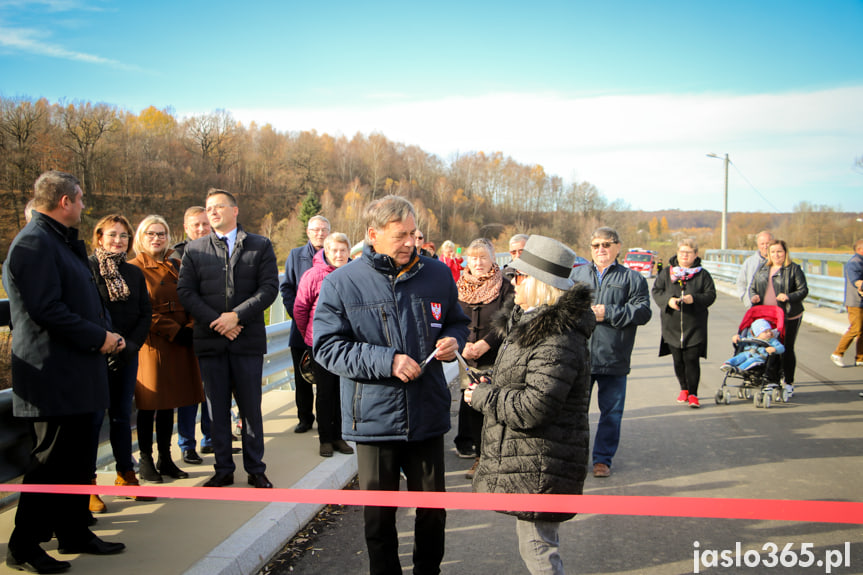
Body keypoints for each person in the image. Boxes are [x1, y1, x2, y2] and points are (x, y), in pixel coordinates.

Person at [313, 195, 470, 575]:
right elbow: (327, 348)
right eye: (400, 235)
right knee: (379, 519)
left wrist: (454, 341)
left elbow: (457, 321)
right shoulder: (341, 283)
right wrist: (389, 361)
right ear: (373, 235)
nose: (409, 243)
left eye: (413, 234)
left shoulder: (437, 274)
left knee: (432, 511)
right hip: (373, 419)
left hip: (427, 413)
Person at [4, 170, 125, 573]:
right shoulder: (35, 244)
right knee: (50, 462)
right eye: (81, 198)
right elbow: (46, 309)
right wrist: (100, 338)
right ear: (64, 202)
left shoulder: (59, 242)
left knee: (76, 459)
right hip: (52, 375)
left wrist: (103, 332)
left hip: (77, 372)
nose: (85, 205)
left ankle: (74, 531)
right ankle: (23, 545)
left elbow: (80, 298)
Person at [465, 234, 595, 575]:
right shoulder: (532, 322)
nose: (513, 282)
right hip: (533, 459)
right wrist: (491, 380)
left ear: (539, 283)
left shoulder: (557, 336)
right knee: (535, 545)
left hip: (540, 461)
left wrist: (483, 397)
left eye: (519, 276)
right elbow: (523, 377)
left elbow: (534, 406)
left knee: (539, 550)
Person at [178, 188, 279, 489]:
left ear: (235, 211)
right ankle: (223, 469)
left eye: (219, 207)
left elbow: (269, 288)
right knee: (216, 409)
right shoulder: (194, 250)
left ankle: (255, 468)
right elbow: (186, 292)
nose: (213, 213)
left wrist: (237, 316)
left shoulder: (260, 246)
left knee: (250, 408)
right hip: (211, 341)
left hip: (246, 341)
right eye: (209, 209)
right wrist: (217, 321)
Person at [569, 227, 652, 478]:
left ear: (617, 247)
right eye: (596, 245)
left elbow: (643, 312)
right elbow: (562, 307)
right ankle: (575, 457)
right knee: (575, 412)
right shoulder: (576, 276)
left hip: (614, 356)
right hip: (579, 356)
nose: (601, 250)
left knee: (611, 413)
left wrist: (610, 313)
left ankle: (602, 459)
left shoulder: (632, 278)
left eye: (606, 244)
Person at [128, 215, 204, 483]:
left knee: (171, 402)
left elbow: (193, 296)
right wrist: (175, 330)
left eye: (161, 233)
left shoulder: (176, 265)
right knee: (151, 404)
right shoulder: (134, 267)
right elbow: (141, 310)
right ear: (140, 236)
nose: (156, 238)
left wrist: (193, 326)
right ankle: (146, 460)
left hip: (181, 341)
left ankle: (165, 457)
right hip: (154, 344)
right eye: (150, 233)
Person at [87, 214, 153, 513]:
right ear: (99, 237)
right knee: (91, 420)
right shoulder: (87, 270)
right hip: (93, 354)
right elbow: (86, 313)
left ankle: (126, 475)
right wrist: (106, 342)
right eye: (112, 235)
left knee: (121, 417)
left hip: (127, 354)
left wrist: (129, 345)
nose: (118, 240)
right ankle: (88, 485)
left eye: (124, 236)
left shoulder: (134, 273)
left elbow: (144, 313)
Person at [454, 238, 514, 477]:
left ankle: (494, 456)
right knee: (471, 407)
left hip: (496, 357)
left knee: (494, 407)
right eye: (474, 258)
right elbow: (451, 319)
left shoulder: (506, 287)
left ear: (493, 260)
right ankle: (480, 456)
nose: (478, 263)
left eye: (483, 258)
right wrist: (464, 343)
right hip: (466, 358)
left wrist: (485, 343)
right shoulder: (457, 286)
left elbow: (510, 319)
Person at [291, 232, 355, 458]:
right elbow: (300, 309)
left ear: (349, 252)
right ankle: (326, 439)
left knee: (343, 392)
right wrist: (310, 336)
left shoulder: (354, 274)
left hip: (348, 344)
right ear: (326, 252)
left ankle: (340, 436)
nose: (339, 255)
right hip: (321, 344)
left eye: (343, 250)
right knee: (326, 392)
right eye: (334, 250)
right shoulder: (313, 275)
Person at [279, 215, 330, 434]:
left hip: (329, 330)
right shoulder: (296, 255)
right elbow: (287, 288)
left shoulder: (335, 255)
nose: (320, 233)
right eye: (316, 229)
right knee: (303, 377)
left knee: (328, 379)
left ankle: (328, 421)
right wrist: (298, 314)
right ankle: (304, 418)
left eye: (324, 229)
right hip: (301, 328)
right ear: (308, 232)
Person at [171, 206, 214, 464]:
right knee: (189, 392)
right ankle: (187, 444)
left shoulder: (220, 251)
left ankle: (211, 438)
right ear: (186, 227)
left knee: (213, 389)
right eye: (195, 225)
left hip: (215, 331)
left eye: (205, 224)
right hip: (188, 333)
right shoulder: (176, 257)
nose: (201, 229)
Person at [652, 238, 716, 408]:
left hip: (694, 326)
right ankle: (684, 388)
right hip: (672, 325)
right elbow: (656, 291)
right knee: (678, 360)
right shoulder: (667, 273)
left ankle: (694, 394)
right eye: (682, 252)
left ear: (696, 255)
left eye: (688, 253)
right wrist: (669, 301)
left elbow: (710, 295)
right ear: (677, 253)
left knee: (692, 360)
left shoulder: (703, 275)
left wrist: (693, 298)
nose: (685, 256)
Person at [749, 239, 808, 395]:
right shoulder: (762, 268)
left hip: (788, 315)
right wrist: (754, 296)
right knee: (770, 347)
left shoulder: (793, 269)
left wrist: (788, 296)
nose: (776, 255)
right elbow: (752, 287)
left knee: (786, 348)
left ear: (785, 252)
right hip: (767, 315)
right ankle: (772, 379)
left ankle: (788, 381)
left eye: (779, 251)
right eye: (773, 252)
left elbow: (803, 291)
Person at [831, 239, 863, 367]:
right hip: (855, 301)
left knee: (861, 330)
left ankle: (860, 358)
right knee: (856, 328)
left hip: (860, 301)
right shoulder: (854, 263)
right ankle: (838, 353)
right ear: (860, 249)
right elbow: (857, 281)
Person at [721, 318, 785, 372]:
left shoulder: (771, 341)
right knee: (740, 356)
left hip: (759, 358)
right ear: (757, 334)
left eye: (770, 331)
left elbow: (781, 348)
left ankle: (739, 369)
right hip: (747, 354)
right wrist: (737, 338)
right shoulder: (751, 338)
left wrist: (775, 349)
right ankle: (728, 364)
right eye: (765, 332)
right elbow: (742, 342)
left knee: (751, 360)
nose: (769, 333)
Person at [735, 230, 774, 309]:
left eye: (768, 243)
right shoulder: (749, 262)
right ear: (758, 245)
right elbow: (741, 282)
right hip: (754, 306)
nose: (765, 246)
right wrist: (745, 298)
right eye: (762, 244)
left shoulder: (779, 262)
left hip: (775, 307)